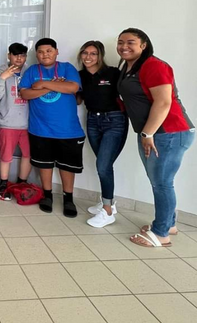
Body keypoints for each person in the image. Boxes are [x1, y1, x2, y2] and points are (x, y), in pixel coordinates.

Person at [116, 28, 194, 248]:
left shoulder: (154, 65)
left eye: (130, 42)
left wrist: (147, 133)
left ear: (143, 45)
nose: (124, 46)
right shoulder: (129, 66)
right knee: (160, 182)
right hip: (153, 133)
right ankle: (168, 224)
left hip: (168, 133)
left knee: (162, 183)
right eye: (120, 42)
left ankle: (161, 234)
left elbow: (163, 102)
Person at [19, 38, 85, 218]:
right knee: (44, 165)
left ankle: (68, 198)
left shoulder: (67, 68)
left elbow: (72, 87)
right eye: (40, 52)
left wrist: (42, 84)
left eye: (49, 51)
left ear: (56, 52)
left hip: (68, 130)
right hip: (40, 129)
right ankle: (47, 195)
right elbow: (25, 93)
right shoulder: (32, 71)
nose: (44, 55)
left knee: (67, 166)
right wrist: (54, 86)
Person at [77, 41, 128, 228]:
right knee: (103, 165)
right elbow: (78, 99)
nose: (88, 57)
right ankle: (109, 202)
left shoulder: (112, 73)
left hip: (114, 120)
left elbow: (128, 92)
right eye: (85, 53)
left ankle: (107, 211)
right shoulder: (80, 75)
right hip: (92, 120)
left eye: (93, 53)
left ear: (100, 56)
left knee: (103, 166)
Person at [0, 43, 32, 199]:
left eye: (22, 55)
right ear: (9, 55)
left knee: (28, 154)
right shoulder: (0, 72)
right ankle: (3, 183)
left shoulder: (30, 72)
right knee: (5, 155)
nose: (19, 58)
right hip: (6, 122)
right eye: (15, 55)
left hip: (29, 123)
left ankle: (22, 183)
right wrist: (3, 78)